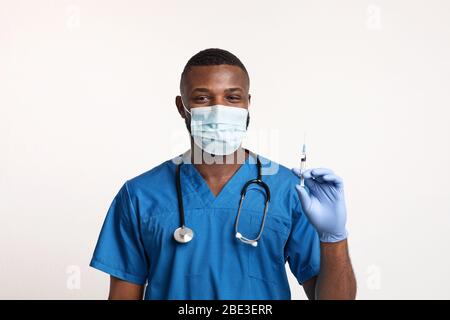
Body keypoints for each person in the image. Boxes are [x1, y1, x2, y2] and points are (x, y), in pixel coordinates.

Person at [90, 48, 357, 300]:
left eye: (232, 97)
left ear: (247, 104)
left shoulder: (289, 190)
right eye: (203, 98)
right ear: (182, 107)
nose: (219, 110)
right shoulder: (140, 195)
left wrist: (334, 237)